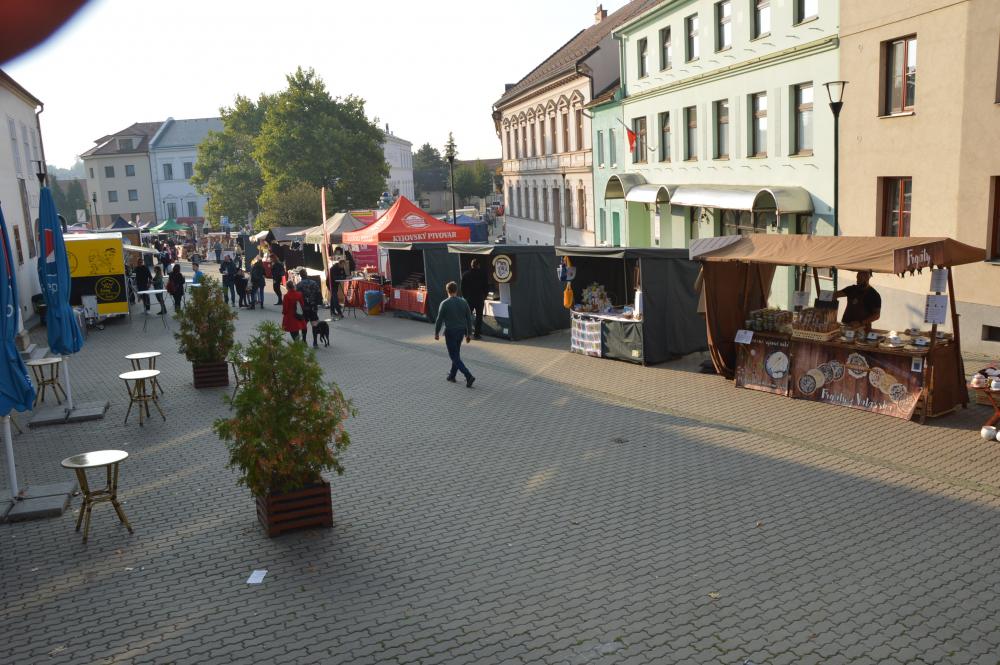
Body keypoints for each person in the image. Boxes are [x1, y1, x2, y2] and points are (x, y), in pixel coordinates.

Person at [434, 281, 475, 388]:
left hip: (450, 332)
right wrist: (469, 334)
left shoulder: (444, 303)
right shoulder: (464, 302)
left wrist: (436, 332)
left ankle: (468, 376)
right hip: (461, 331)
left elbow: (439, 320)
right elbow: (469, 318)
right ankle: (452, 375)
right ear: (456, 290)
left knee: (454, 356)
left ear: (447, 290)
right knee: (456, 354)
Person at [460, 258, 488, 340]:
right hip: (479, 298)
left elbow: (462, 288)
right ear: (478, 265)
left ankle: (467, 333)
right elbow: (486, 286)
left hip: (469, 299)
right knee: (479, 316)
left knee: (468, 316)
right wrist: (484, 296)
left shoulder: (465, 274)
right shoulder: (483, 274)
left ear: (471, 265)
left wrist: (465, 297)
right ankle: (477, 334)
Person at [295, 268, 322, 347]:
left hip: (304, 308)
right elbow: (319, 293)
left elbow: (297, 297)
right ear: (306, 274)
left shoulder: (299, 285)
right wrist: (318, 303)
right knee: (314, 324)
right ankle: (315, 342)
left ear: (300, 276)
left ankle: (304, 341)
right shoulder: (314, 283)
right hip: (313, 307)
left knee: (304, 324)